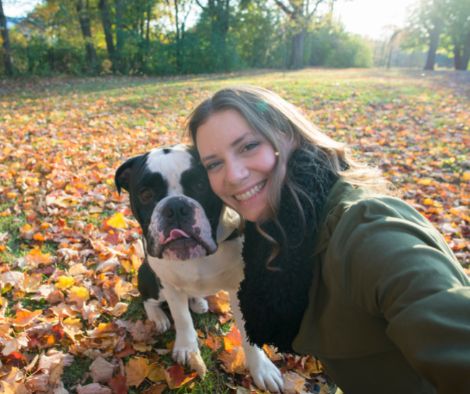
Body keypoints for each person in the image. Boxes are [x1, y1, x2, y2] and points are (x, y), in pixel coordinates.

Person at [186, 85, 470, 394]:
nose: (234, 175)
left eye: (249, 146)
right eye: (214, 163)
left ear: (289, 136)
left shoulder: (368, 229)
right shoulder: (275, 234)